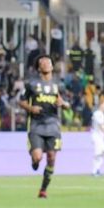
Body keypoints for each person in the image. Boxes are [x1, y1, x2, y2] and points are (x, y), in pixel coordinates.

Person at [20, 54, 66, 198]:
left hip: (53, 125)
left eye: (48, 62)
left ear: (52, 67)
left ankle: (43, 189)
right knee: (38, 157)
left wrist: (63, 104)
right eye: (43, 62)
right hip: (36, 125)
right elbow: (21, 101)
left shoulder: (59, 84)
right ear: (39, 68)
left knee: (51, 158)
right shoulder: (31, 84)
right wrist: (31, 108)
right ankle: (34, 160)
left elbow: (65, 103)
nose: (46, 64)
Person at [91, 97, 104, 176]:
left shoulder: (101, 114)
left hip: (100, 136)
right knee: (98, 153)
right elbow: (100, 125)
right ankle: (94, 171)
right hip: (96, 136)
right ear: (101, 105)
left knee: (103, 151)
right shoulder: (98, 114)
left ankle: (97, 169)